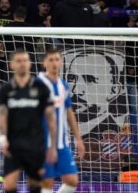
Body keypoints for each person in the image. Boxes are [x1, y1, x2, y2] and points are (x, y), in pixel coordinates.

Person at [0, 49, 57, 193]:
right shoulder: (5, 90)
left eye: (25, 60)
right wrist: (2, 138)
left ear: (30, 63)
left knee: (35, 186)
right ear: (11, 65)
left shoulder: (41, 88)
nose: (22, 64)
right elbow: (1, 116)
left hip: (35, 145)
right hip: (13, 145)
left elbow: (51, 118)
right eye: (18, 61)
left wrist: (52, 146)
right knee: (9, 186)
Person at [38, 49, 85, 193]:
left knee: (72, 181)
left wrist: (78, 138)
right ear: (44, 63)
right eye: (51, 60)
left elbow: (69, 112)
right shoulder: (38, 84)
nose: (54, 63)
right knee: (47, 183)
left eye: (57, 59)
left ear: (61, 62)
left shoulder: (63, 85)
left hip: (62, 143)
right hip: (43, 143)